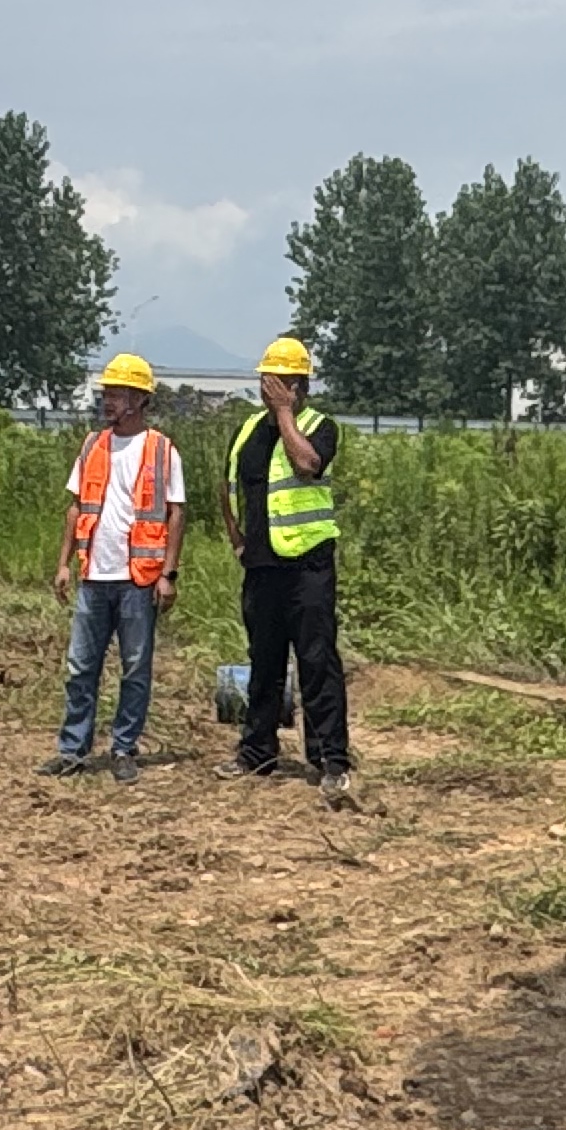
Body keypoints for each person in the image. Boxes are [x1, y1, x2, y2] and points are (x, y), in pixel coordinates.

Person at [227, 335, 354, 806]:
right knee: (264, 661)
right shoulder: (247, 430)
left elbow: (306, 464)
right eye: (267, 381)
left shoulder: (321, 427)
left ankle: (331, 759)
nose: (269, 388)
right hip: (262, 567)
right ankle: (257, 751)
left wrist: (284, 414)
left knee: (317, 661)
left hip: (308, 567)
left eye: (280, 382)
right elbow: (229, 486)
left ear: (299, 386)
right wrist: (238, 540)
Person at [44, 354, 183, 785]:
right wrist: (63, 563)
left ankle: (124, 748)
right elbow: (75, 508)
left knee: (135, 669)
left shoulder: (161, 450)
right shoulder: (92, 446)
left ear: (140, 400)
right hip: (94, 576)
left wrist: (168, 574)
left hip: (138, 579)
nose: (109, 401)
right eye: (107, 393)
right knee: (80, 667)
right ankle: (73, 750)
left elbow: (176, 514)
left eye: (118, 394)